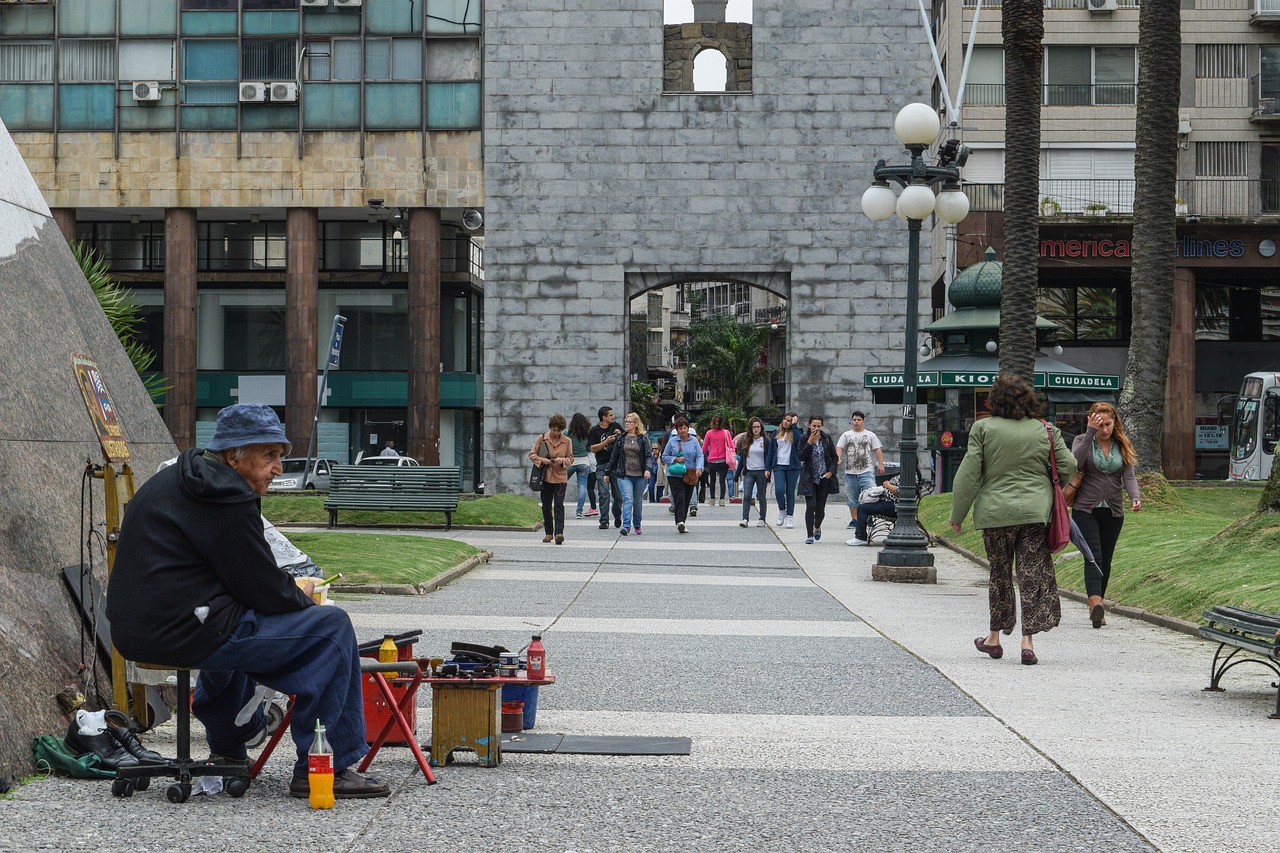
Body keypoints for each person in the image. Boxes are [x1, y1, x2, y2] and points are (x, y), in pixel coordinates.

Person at [106, 404, 389, 799]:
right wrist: (302, 596)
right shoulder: (224, 496)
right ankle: (326, 766)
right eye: (269, 456)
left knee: (240, 619)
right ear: (234, 455)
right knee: (331, 629)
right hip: (181, 628)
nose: (278, 468)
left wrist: (277, 594)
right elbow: (260, 586)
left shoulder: (184, 479)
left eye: (281, 457)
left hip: (141, 629)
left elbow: (240, 577)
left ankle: (229, 747)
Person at [948, 374, 1076, 666]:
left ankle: (994, 638)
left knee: (1000, 574)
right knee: (1032, 575)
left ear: (995, 400)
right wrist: (1046, 486)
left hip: (995, 514)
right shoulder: (1046, 429)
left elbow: (968, 474)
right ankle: (1027, 643)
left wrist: (958, 515)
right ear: (1029, 400)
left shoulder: (982, 428)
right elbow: (1069, 465)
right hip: (1035, 512)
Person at [1071, 402, 1142, 628]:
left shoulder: (1121, 445)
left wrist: (1135, 496)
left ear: (1115, 423)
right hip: (1085, 509)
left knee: (1107, 560)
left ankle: (1098, 608)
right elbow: (1075, 463)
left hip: (1113, 510)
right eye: (1099, 425)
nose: (1104, 430)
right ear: (1092, 422)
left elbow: (1128, 476)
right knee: (1093, 556)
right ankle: (1095, 603)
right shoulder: (1082, 441)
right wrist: (1089, 432)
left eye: (1108, 424)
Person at [603, 412, 652, 535]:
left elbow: (648, 455)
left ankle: (637, 524)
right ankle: (626, 526)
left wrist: (648, 469)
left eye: (630, 422)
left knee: (637, 501)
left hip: (640, 475)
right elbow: (614, 456)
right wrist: (607, 472)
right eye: (626, 421)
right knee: (627, 499)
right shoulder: (621, 438)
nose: (627, 424)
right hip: (624, 474)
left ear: (636, 424)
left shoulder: (643, 438)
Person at [835, 411, 885, 529]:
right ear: (852, 421)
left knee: (871, 496)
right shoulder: (846, 435)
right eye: (854, 420)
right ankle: (855, 520)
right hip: (850, 472)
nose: (856, 422)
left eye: (859, 420)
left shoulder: (870, 435)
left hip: (866, 471)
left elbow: (877, 449)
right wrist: (838, 458)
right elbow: (840, 447)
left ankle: (869, 518)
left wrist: (881, 464)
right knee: (852, 497)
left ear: (863, 421)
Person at [529, 414, 574, 544]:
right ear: (550, 428)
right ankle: (548, 533)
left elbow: (571, 458)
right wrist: (544, 460)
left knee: (559, 505)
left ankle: (559, 533)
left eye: (559, 430)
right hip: (545, 478)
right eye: (554, 430)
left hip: (560, 478)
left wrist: (562, 460)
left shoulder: (567, 441)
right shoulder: (542, 438)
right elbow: (532, 454)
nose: (555, 433)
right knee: (546, 505)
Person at [797, 415, 837, 544]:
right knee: (811, 506)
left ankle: (817, 526)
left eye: (819, 426)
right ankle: (809, 535)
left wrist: (830, 471)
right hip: (809, 477)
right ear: (809, 425)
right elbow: (801, 457)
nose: (816, 428)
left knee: (820, 509)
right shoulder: (804, 438)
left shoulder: (826, 439)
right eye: (814, 426)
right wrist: (810, 442)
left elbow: (834, 457)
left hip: (823, 477)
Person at [662, 417, 704, 534]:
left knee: (687, 497)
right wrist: (675, 459)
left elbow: (700, 455)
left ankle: (682, 521)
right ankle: (680, 521)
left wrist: (699, 468)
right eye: (680, 428)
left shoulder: (694, 441)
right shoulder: (672, 441)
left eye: (685, 428)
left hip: (690, 473)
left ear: (688, 428)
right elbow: (664, 456)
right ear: (677, 430)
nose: (683, 431)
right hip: (675, 474)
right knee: (679, 496)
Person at [588, 406, 624, 530]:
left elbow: (625, 441)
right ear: (604, 417)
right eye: (610, 415)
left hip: (616, 466)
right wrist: (606, 442)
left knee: (618, 495)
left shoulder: (616, 426)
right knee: (604, 494)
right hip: (602, 465)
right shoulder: (594, 430)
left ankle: (617, 515)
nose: (613, 417)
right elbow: (592, 448)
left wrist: (621, 435)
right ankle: (604, 520)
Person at [735, 417, 774, 528]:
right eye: (754, 427)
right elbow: (742, 459)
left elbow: (769, 457)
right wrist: (737, 475)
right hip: (749, 472)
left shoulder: (766, 441)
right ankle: (745, 518)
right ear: (750, 429)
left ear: (761, 428)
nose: (756, 429)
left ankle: (762, 518)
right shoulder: (746, 440)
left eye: (758, 427)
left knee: (761, 496)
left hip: (761, 471)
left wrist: (768, 470)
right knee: (747, 496)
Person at [772, 412, 804, 529]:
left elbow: (798, 441)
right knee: (779, 490)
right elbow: (771, 451)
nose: (786, 422)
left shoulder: (798, 432)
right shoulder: (776, 433)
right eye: (785, 419)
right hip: (779, 465)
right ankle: (782, 510)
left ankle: (790, 516)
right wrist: (768, 467)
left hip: (793, 466)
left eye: (789, 420)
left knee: (790, 491)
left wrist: (794, 426)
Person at [846, 475, 898, 546]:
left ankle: (860, 537)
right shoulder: (906, 474)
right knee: (865, 503)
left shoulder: (911, 477)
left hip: (894, 505)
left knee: (862, 508)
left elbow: (900, 491)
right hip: (887, 500)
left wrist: (888, 485)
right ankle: (861, 534)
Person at [701, 414, 734, 507]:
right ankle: (722, 500)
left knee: (712, 480)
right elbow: (731, 446)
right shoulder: (726, 432)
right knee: (722, 481)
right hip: (723, 460)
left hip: (712, 460)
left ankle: (712, 499)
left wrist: (699, 457)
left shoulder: (709, 433)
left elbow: (704, 448)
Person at [567, 413, 594, 519]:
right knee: (582, 487)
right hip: (584, 462)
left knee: (560, 484)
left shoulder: (568, 433)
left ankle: (554, 504)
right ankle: (579, 511)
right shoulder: (587, 434)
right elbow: (589, 449)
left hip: (571, 462)